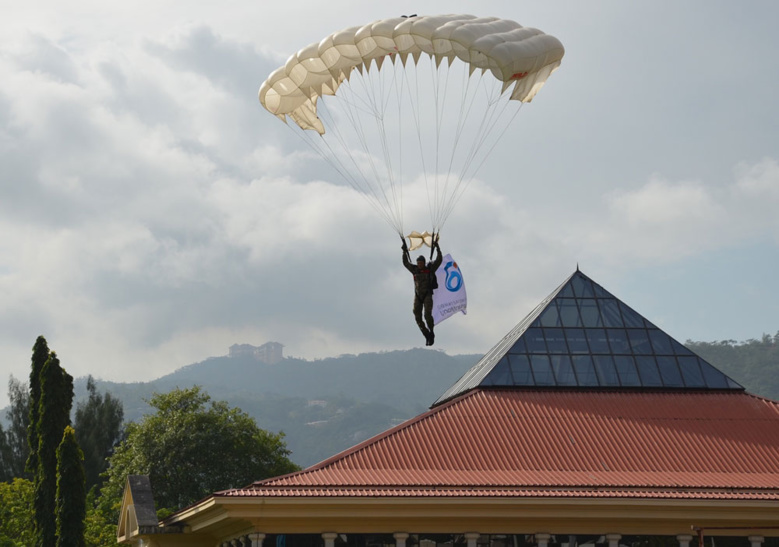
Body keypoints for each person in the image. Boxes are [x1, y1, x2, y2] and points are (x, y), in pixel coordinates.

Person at [402, 237, 442, 346]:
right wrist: (404, 251)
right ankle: (426, 334)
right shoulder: (414, 270)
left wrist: (437, 247)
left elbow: (439, 260)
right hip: (418, 296)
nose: (419, 264)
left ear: (424, 263)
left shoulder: (430, 269)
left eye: (421, 263)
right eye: (418, 263)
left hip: (427, 295)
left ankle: (432, 332)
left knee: (427, 315)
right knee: (417, 316)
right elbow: (405, 263)